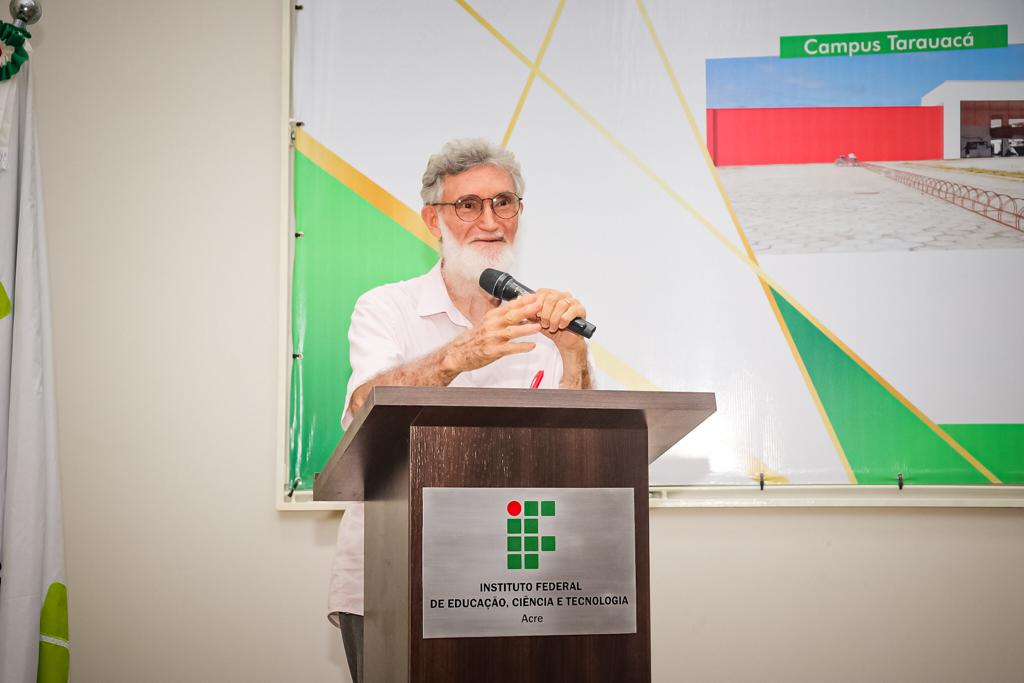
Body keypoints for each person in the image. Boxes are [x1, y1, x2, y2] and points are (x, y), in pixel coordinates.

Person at [326, 139, 593, 682]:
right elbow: (362, 408)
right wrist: (459, 354)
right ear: (433, 220)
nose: (490, 222)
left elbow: (585, 451)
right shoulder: (386, 307)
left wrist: (573, 354)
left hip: (522, 581)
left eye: (504, 202)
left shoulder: (544, 321)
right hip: (394, 574)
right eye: (468, 205)